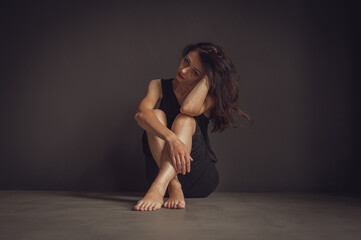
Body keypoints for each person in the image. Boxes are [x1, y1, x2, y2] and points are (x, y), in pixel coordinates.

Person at [133, 42, 252, 211]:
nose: (183, 70)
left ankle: (160, 187)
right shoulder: (157, 85)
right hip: (160, 170)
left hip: (197, 175)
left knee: (185, 119)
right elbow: (141, 115)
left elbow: (187, 109)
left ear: (205, 79)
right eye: (186, 61)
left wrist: (209, 77)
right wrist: (171, 138)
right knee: (155, 115)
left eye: (194, 72)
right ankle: (171, 185)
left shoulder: (209, 98)